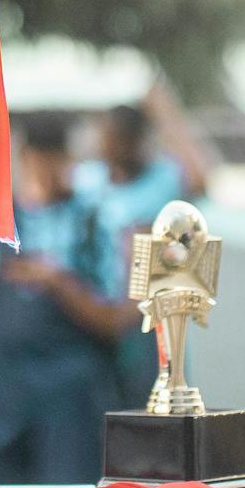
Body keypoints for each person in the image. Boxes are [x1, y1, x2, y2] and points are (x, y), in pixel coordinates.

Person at [0, 115, 134, 484]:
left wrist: (56, 281)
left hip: (72, 390)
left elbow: (114, 318)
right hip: (7, 389)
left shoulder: (94, 220)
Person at [75, 82, 217, 403]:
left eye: (120, 138)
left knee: (150, 403)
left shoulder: (161, 179)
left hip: (147, 318)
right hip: (94, 311)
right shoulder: (89, 179)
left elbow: (201, 178)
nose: (111, 145)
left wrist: (166, 114)